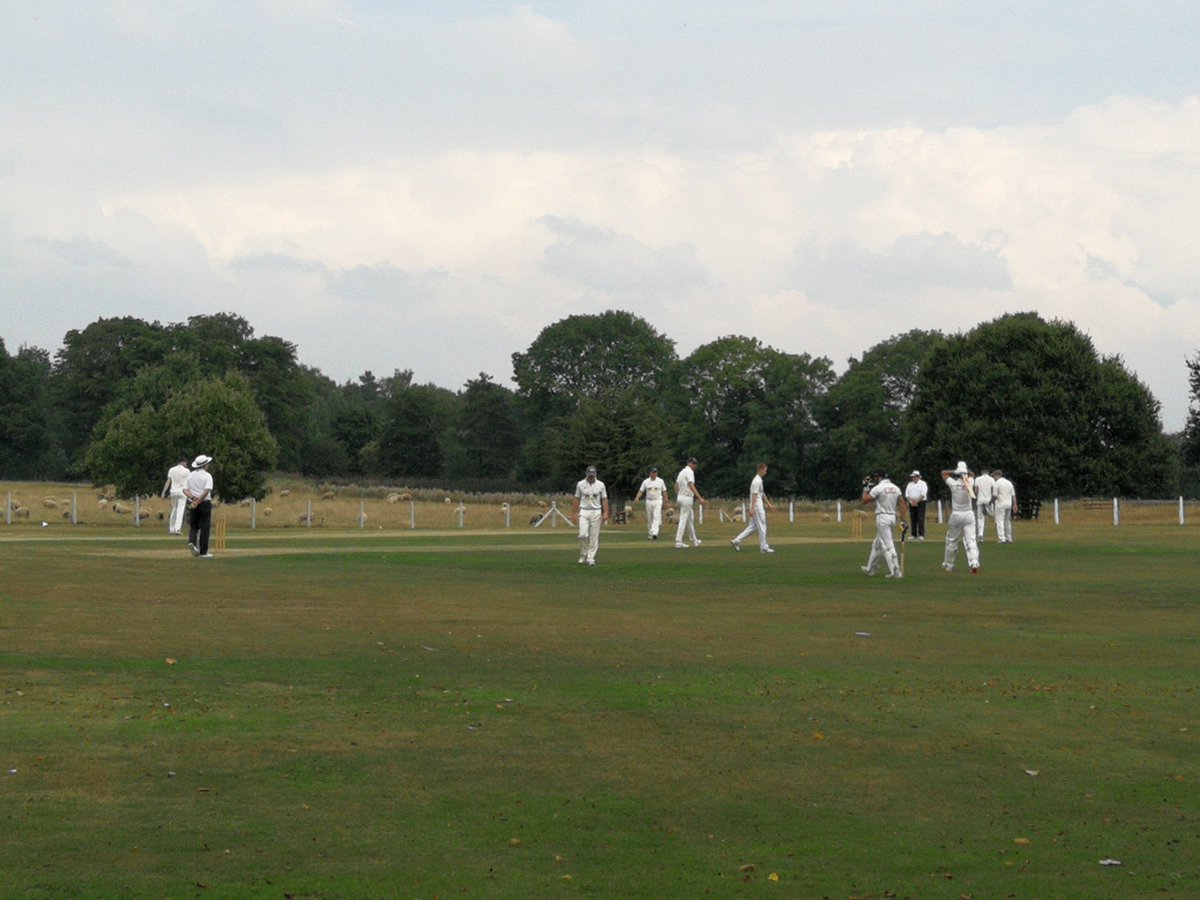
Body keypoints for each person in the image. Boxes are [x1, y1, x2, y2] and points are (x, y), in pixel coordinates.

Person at [861, 470, 903, 577]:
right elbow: (902, 503)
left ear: (879, 477)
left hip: (882, 518)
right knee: (876, 544)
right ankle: (870, 568)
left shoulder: (878, 488)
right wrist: (903, 519)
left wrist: (865, 488)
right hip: (892, 518)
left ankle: (896, 571)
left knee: (888, 545)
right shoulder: (895, 488)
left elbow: (865, 500)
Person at [940, 461, 979, 574]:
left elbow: (943, 473)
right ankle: (974, 562)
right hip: (968, 514)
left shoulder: (953, 483)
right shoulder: (970, 482)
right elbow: (972, 474)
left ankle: (949, 565)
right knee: (971, 540)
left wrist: (955, 471)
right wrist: (965, 472)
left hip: (956, 515)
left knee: (952, 540)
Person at [731, 463, 775, 553]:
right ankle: (764, 547)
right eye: (765, 470)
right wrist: (751, 509)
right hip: (757, 507)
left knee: (752, 527)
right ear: (760, 470)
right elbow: (754, 496)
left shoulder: (759, 481)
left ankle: (737, 541)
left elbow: (762, 493)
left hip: (757, 506)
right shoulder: (756, 481)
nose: (766, 472)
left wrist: (768, 504)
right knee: (762, 526)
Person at [573, 465, 610, 566]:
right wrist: (574, 513)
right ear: (586, 474)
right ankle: (583, 553)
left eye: (593, 476)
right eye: (589, 475)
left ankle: (590, 557)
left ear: (595, 475)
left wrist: (606, 512)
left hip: (596, 511)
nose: (591, 478)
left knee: (594, 536)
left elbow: (604, 499)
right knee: (582, 535)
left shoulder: (601, 485)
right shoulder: (580, 484)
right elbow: (576, 498)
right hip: (584, 511)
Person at [184, 454, 215, 559]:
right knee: (205, 527)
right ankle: (203, 552)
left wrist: (193, 498)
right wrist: (198, 500)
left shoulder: (190, 475)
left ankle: (191, 541)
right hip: (204, 503)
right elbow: (206, 491)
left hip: (192, 503)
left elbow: (185, 490)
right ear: (205, 465)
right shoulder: (207, 476)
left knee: (194, 526)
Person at [673, 457, 705, 549]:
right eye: (693, 463)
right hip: (687, 498)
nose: (695, 465)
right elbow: (691, 485)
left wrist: (678, 497)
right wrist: (699, 497)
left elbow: (676, 485)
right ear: (689, 463)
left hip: (681, 497)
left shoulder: (682, 472)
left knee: (690, 519)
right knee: (683, 519)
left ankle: (695, 540)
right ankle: (678, 541)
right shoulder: (689, 472)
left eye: (696, 464)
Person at [632, 465, 671, 540]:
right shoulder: (646, 482)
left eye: (655, 472)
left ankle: (655, 533)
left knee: (656, 516)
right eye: (653, 472)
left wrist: (666, 501)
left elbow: (664, 491)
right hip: (649, 501)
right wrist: (637, 497)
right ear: (650, 473)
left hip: (658, 500)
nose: (654, 474)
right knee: (650, 518)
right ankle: (650, 533)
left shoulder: (660, 481)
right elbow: (641, 491)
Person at [160, 456, 191, 536]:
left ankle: (171, 529)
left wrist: (163, 492)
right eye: (186, 463)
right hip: (182, 492)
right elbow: (189, 483)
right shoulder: (187, 471)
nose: (186, 464)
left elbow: (168, 481)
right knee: (180, 510)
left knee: (174, 509)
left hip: (173, 492)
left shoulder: (172, 470)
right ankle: (177, 529)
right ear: (183, 462)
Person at [992, 469, 1018, 543]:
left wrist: (992, 502)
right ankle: (1009, 538)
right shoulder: (1009, 483)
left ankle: (1001, 538)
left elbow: (994, 495)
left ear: (998, 475)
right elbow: (1013, 495)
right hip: (1008, 504)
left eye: (994, 476)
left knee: (999, 520)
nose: (994, 478)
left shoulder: (997, 483)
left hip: (1000, 503)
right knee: (1007, 521)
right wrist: (1015, 504)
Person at [973, 467, 995, 542]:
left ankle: (980, 535)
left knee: (980, 519)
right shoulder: (992, 479)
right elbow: (993, 490)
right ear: (988, 472)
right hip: (988, 500)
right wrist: (992, 499)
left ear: (982, 472)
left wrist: (975, 497)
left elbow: (976, 490)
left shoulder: (977, 479)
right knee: (992, 514)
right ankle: (987, 511)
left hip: (980, 500)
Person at [904, 470, 928, 540]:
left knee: (920, 518)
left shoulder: (923, 484)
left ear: (918, 477)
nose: (913, 478)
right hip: (911, 502)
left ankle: (921, 534)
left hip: (921, 502)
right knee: (913, 518)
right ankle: (913, 534)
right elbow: (907, 494)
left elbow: (923, 494)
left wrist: (916, 502)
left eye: (914, 477)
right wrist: (911, 502)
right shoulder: (909, 484)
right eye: (912, 477)